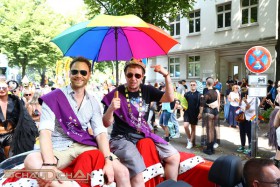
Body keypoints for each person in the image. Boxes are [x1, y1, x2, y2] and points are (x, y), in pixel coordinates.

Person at [24, 57, 130, 187]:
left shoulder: (93, 101)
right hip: (59, 148)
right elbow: (45, 132)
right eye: (75, 72)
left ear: (89, 75)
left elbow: (101, 133)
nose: (79, 75)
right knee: (31, 159)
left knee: (123, 172)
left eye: (83, 72)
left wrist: (108, 161)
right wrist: (49, 165)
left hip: (83, 145)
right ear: (69, 73)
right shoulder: (53, 98)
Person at [102, 58, 180, 187]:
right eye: (130, 75)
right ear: (125, 75)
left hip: (143, 133)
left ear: (142, 77)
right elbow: (105, 123)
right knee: (137, 170)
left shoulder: (146, 90)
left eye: (137, 75)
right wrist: (111, 108)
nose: (133, 78)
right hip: (121, 138)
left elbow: (169, 98)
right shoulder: (115, 94)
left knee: (174, 157)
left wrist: (166, 75)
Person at [0, 78, 38, 160]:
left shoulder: (15, 101)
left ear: (8, 88)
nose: (1, 90)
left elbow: (24, 117)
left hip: (10, 136)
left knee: (9, 161)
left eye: (3, 87)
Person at [200, 77, 220, 155]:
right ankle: (211, 148)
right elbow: (218, 102)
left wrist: (200, 113)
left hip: (208, 112)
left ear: (207, 83)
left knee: (209, 131)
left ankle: (209, 149)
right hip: (215, 111)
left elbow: (202, 104)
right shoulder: (216, 92)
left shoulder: (207, 93)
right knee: (211, 130)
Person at [183, 80, 201, 149]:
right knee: (185, 126)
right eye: (191, 85)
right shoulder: (187, 94)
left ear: (196, 85)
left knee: (193, 128)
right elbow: (183, 103)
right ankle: (189, 138)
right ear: (189, 86)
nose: (192, 86)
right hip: (187, 112)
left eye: (194, 85)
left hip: (195, 113)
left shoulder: (199, 94)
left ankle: (190, 142)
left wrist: (200, 113)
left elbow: (200, 105)